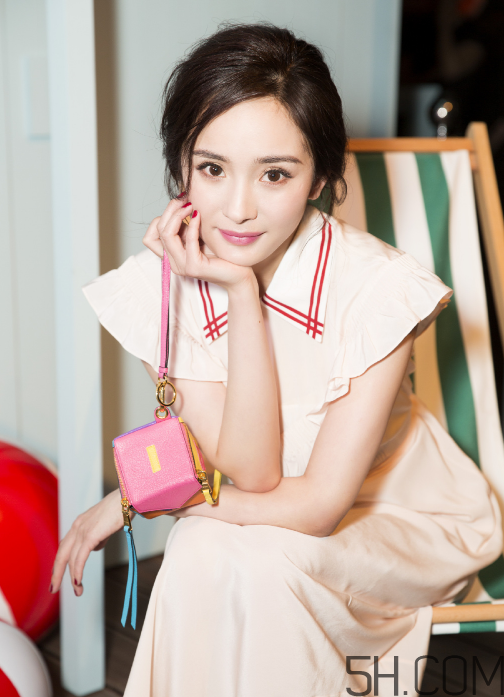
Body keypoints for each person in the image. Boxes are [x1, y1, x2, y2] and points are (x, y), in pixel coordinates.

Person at [50, 23, 502, 697]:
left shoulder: (380, 291)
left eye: (275, 174)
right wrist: (241, 294)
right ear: (181, 169)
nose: (237, 209)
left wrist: (137, 498)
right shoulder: (161, 287)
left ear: (320, 178)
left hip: (397, 517)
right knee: (205, 550)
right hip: (261, 511)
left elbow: (318, 507)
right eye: (212, 169)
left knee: (238, 559)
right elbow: (255, 471)